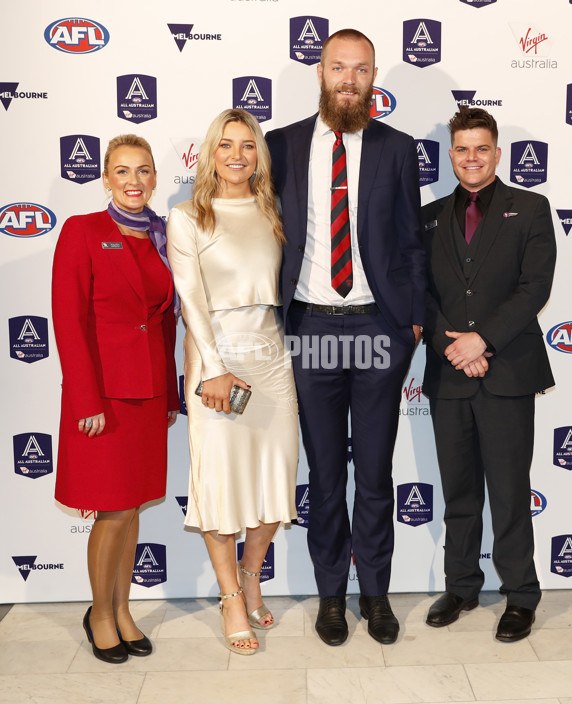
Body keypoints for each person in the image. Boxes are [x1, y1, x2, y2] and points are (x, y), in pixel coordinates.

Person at [265, 29, 426, 646]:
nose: (350, 80)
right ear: (321, 73)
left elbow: (411, 242)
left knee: (376, 472)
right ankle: (331, 595)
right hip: (309, 327)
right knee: (327, 474)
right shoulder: (280, 146)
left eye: (361, 70)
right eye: (339, 68)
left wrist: (408, 321)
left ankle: (376, 595)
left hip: (377, 327)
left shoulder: (397, 148)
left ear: (375, 75)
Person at [166, 109, 299, 656]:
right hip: (215, 356)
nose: (238, 155)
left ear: (259, 155)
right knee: (220, 484)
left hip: (271, 357)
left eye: (248, 145)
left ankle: (250, 574)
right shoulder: (187, 215)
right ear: (210, 153)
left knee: (275, 478)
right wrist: (214, 368)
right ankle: (228, 598)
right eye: (226, 145)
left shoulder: (273, 210)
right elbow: (190, 299)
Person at [422, 106, 556, 642]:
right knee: (458, 491)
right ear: (449, 154)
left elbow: (535, 287)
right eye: (461, 149)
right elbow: (421, 294)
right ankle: (461, 587)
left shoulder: (531, 208)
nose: (471, 158)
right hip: (450, 371)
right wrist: (454, 346)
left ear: (497, 153)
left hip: (507, 373)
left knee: (507, 488)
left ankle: (521, 595)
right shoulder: (429, 217)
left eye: (481, 148)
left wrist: (484, 340)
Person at [52, 134, 180, 663]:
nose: (133, 182)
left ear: (154, 178)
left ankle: (123, 609)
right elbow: (68, 320)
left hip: (149, 395)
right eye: (122, 172)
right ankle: (99, 614)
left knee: (131, 513)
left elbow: (166, 322)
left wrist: (171, 392)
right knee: (110, 511)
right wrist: (86, 402)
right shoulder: (82, 232)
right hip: (101, 399)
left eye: (143, 171)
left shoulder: (162, 236)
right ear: (105, 178)